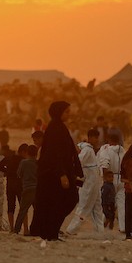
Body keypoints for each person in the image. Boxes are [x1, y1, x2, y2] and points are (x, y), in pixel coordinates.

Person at [30, 101, 84, 242]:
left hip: (60, 172)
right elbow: (53, 154)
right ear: (58, 112)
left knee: (63, 201)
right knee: (65, 200)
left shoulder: (60, 127)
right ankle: (50, 232)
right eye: (66, 111)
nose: (69, 114)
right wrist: (62, 174)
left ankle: (51, 232)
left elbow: (66, 151)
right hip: (54, 174)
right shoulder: (55, 128)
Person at [66, 130, 106, 235]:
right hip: (89, 183)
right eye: (95, 138)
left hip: (95, 183)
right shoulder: (87, 150)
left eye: (98, 137)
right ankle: (71, 229)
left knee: (97, 207)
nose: (97, 140)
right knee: (84, 206)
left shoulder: (91, 149)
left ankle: (100, 230)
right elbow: (78, 162)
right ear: (90, 138)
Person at [12, 144, 39, 234]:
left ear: (27, 152)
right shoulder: (38, 163)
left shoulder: (24, 162)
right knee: (38, 211)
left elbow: (19, 174)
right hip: (37, 189)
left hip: (27, 188)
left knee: (23, 211)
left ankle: (16, 230)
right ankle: (36, 229)